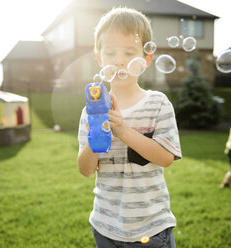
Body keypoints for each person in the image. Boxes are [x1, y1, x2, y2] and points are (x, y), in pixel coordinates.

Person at [77, 7, 182, 248]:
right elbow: (85, 170)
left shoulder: (157, 104)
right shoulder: (91, 112)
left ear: (146, 59)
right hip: (105, 227)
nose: (119, 60)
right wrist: (97, 135)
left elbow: (166, 157)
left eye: (129, 52)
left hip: (151, 228)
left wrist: (124, 132)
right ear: (99, 58)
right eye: (111, 52)